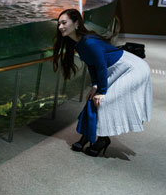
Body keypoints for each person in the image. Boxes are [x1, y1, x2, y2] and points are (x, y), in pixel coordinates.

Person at [52, 8, 152, 157]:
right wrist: (95, 86)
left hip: (131, 68)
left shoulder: (90, 43)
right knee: (93, 99)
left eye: (64, 23)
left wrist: (102, 91)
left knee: (103, 101)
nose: (60, 27)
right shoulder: (79, 44)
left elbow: (100, 66)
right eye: (59, 23)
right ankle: (89, 136)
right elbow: (91, 65)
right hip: (114, 69)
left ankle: (102, 140)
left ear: (76, 23)